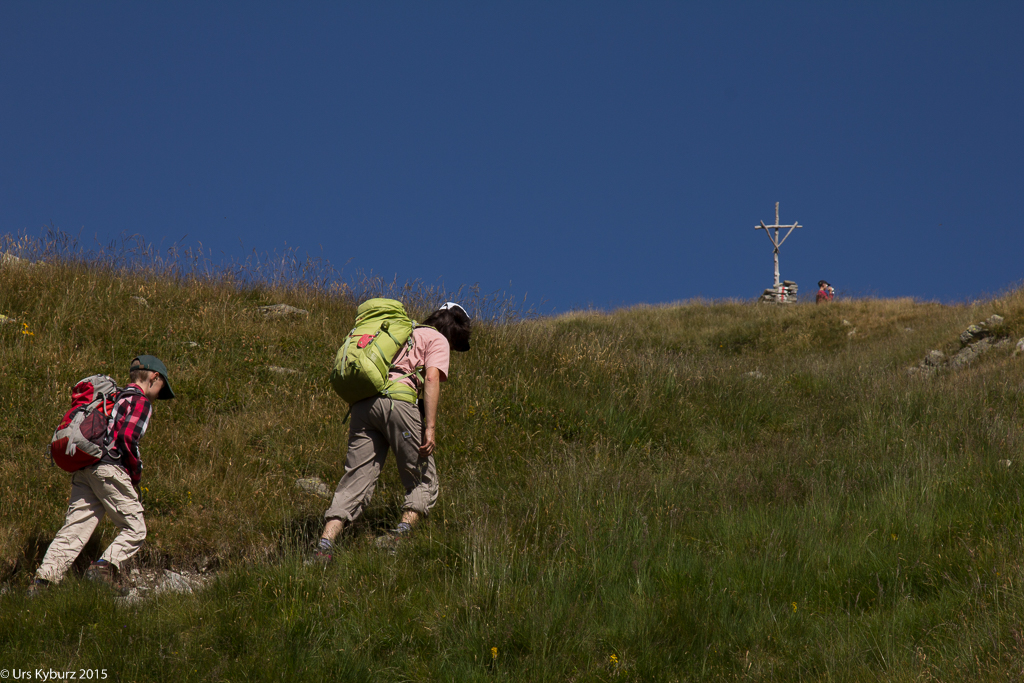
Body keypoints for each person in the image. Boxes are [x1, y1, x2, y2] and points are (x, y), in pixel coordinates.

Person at [313, 301, 472, 561]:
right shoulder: (438, 340)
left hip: (364, 405)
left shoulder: (402, 331)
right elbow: (431, 378)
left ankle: (325, 546)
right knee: (422, 477)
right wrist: (429, 428)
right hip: (397, 403)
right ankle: (401, 536)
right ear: (455, 331)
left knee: (355, 478)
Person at [30, 355, 175, 594]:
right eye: (161, 388)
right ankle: (103, 568)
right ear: (154, 377)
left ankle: (42, 583)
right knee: (135, 528)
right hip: (109, 468)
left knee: (75, 527)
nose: (159, 394)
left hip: (86, 466)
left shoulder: (112, 396)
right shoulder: (140, 402)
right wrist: (135, 473)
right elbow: (128, 437)